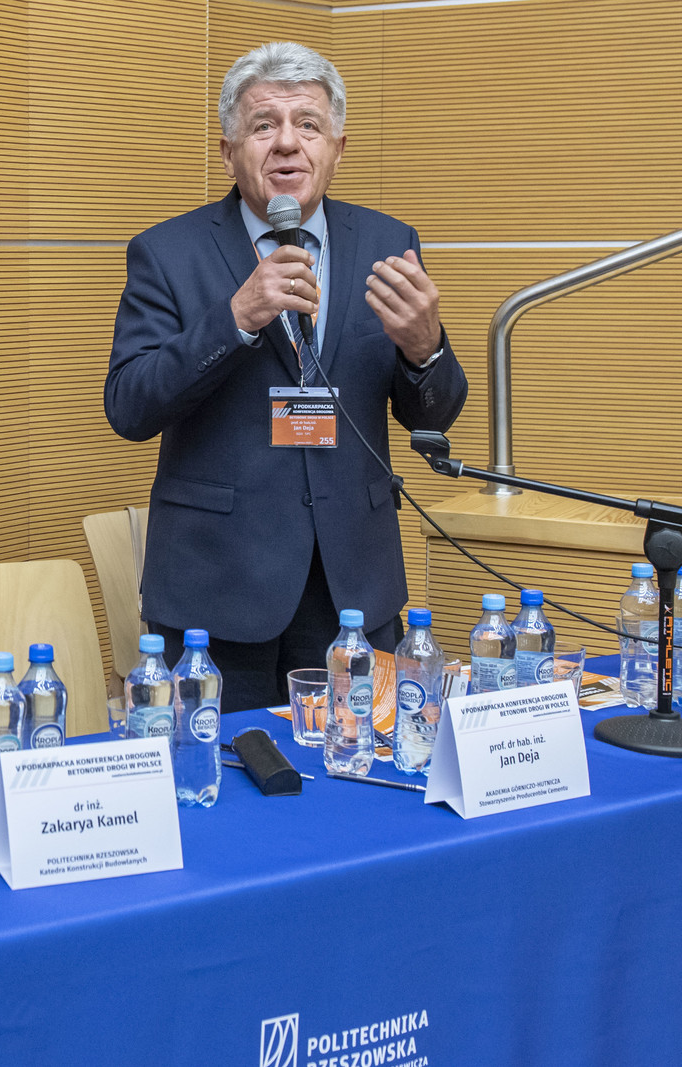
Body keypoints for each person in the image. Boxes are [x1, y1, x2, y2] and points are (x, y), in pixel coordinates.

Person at [104, 42, 468, 712]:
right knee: (219, 766)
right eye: (264, 125)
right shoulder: (168, 252)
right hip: (217, 589)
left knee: (358, 761)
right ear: (228, 151)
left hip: (354, 587)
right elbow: (129, 405)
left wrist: (425, 349)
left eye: (308, 124)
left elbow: (433, 415)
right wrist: (236, 318)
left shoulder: (387, 243)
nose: (287, 143)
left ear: (338, 147)